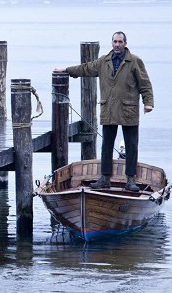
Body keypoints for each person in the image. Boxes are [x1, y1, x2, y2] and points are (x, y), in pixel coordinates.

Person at [54, 32, 154, 192]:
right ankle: (105, 178)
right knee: (106, 145)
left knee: (131, 145)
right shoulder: (104, 61)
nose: (117, 45)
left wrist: (148, 103)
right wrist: (66, 70)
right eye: (115, 41)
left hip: (129, 109)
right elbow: (86, 69)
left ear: (125, 43)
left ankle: (130, 180)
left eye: (120, 42)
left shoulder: (134, 61)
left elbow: (145, 84)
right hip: (109, 109)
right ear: (112, 43)